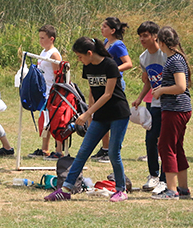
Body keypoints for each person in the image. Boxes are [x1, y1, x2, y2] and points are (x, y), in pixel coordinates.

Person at [45, 37, 131, 202]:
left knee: (113, 153)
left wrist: (86, 114)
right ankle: (66, 189)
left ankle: (121, 190)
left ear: (90, 53)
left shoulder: (110, 65)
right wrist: (90, 115)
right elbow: (93, 92)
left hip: (118, 113)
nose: (79, 60)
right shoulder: (88, 67)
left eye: (80, 56)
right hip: (100, 115)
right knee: (83, 152)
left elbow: (108, 94)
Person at [151, 26, 193, 200]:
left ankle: (171, 190)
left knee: (165, 146)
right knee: (176, 147)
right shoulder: (176, 58)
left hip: (175, 109)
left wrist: (161, 91)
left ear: (161, 42)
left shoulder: (174, 60)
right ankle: (183, 188)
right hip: (179, 108)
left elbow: (181, 87)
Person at [93, 17, 133, 163]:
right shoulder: (105, 43)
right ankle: (105, 148)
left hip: (115, 83)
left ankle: (112, 149)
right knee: (103, 115)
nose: (102, 28)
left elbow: (128, 63)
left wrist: (113, 70)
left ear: (112, 30)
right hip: (103, 82)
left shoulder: (118, 45)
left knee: (113, 116)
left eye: (105, 26)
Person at [132, 21, 167, 190]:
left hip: (169, 103)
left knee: (165, 140)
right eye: (140, 36)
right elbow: (148, 82)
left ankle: (165, 178)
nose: (142, 39)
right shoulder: (143, 57)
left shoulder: (165, 54)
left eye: (145, 35)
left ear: (155, 36)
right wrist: (139, 98)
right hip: (153, 102)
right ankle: (153, 175)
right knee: (151, 138)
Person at [28, 24, 64, 159]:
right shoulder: (43, 52)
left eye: (43, 38)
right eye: (39, 38)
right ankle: (44, 149)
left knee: (54, 121)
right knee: (44, 121)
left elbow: (59, 75)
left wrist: (56, 92)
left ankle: (58, 150)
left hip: (52, 92)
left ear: (51, 39)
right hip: (44, 91)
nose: (40, 40)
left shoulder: (54, 54)